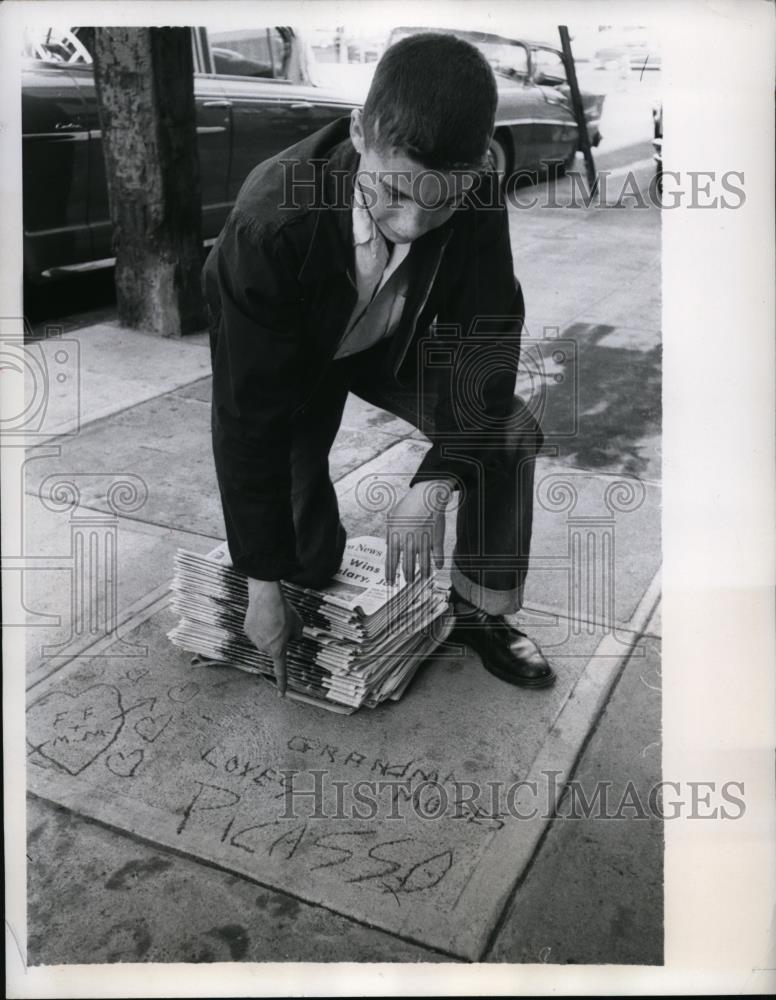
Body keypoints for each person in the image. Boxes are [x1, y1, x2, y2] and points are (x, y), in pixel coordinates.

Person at [202, 31, 555, 697]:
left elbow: (489, 347)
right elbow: (247, 420)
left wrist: (435, 481)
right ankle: (293, 566)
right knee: (301, 564)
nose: (415, 223)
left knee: (506, 429)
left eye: (441, 200)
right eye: (393, 192)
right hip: (295, 355)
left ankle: (483, 611)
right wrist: (262, 585)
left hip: (394, 343)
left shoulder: (476, 190)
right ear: (360, 133)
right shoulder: (267, 225)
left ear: (477, 165)